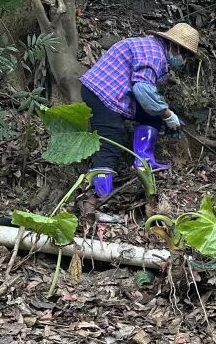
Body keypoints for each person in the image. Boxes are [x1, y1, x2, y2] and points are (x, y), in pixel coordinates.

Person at [79, 23, 200, 207]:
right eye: (184, 55)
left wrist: (162, 113)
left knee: (152, 116)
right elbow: (142, 90)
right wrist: (168, 115)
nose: (183, 60)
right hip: (103, 94)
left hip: (112, 92)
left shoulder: (152, 48)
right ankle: (100, 199)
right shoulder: (155, 54)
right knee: (110, 143)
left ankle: (144, 161)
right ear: (175, 47)